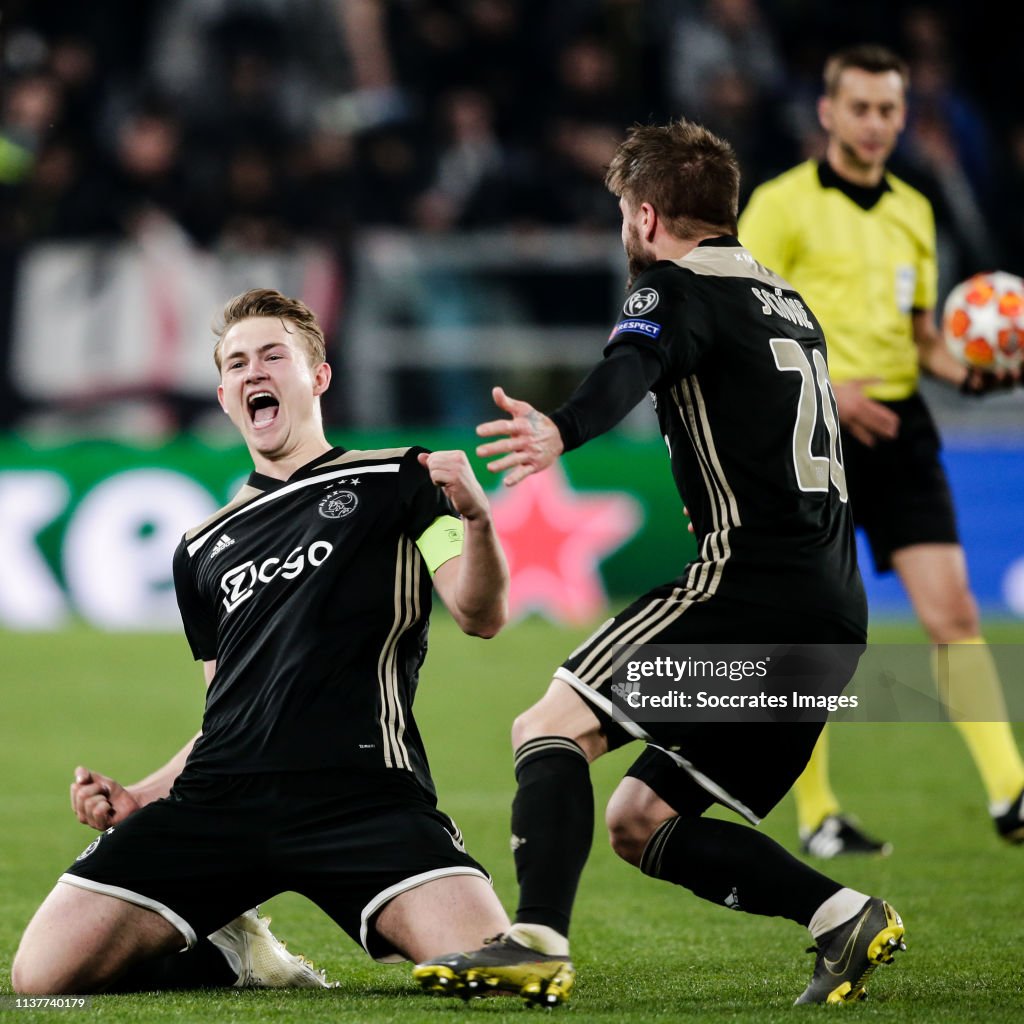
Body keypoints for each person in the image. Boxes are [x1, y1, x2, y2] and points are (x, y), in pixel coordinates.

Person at [413, 119, 905, 1008]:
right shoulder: (790, 303)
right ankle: (842, 915)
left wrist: (562, 427)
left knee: (548, 726)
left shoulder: (674, 288)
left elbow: (630, 366)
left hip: (745, 589)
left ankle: (535, 942)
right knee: (642, 822)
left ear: (645, 216)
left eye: (621, 218)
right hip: (836, 618)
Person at [11, 288, 512, 994]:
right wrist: (143, 795)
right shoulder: (200, 546)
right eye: (238, 362)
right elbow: (230, 710)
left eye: (274, 355)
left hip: (363, 794)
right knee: (41, 975)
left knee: (494, 972)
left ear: (319, 376)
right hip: (220, 800)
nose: (255, 372)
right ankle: (232, 952)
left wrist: (480, 522)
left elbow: (477, 612)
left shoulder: (402, 478)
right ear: (223, 394)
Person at [738, 43, 1024, 858]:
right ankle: (817, 814)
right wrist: (834, 390)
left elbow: (925, 340)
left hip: (901, 428)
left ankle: (1010, 792)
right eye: (859, 108)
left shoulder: (913, 209)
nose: (874, 123)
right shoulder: (781, 206)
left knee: (955, 611)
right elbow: (747, 330)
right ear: (827, 113)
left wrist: (979, 374)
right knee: (812, 630)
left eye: (888, 110)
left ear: (904, 116)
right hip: (810, 432)